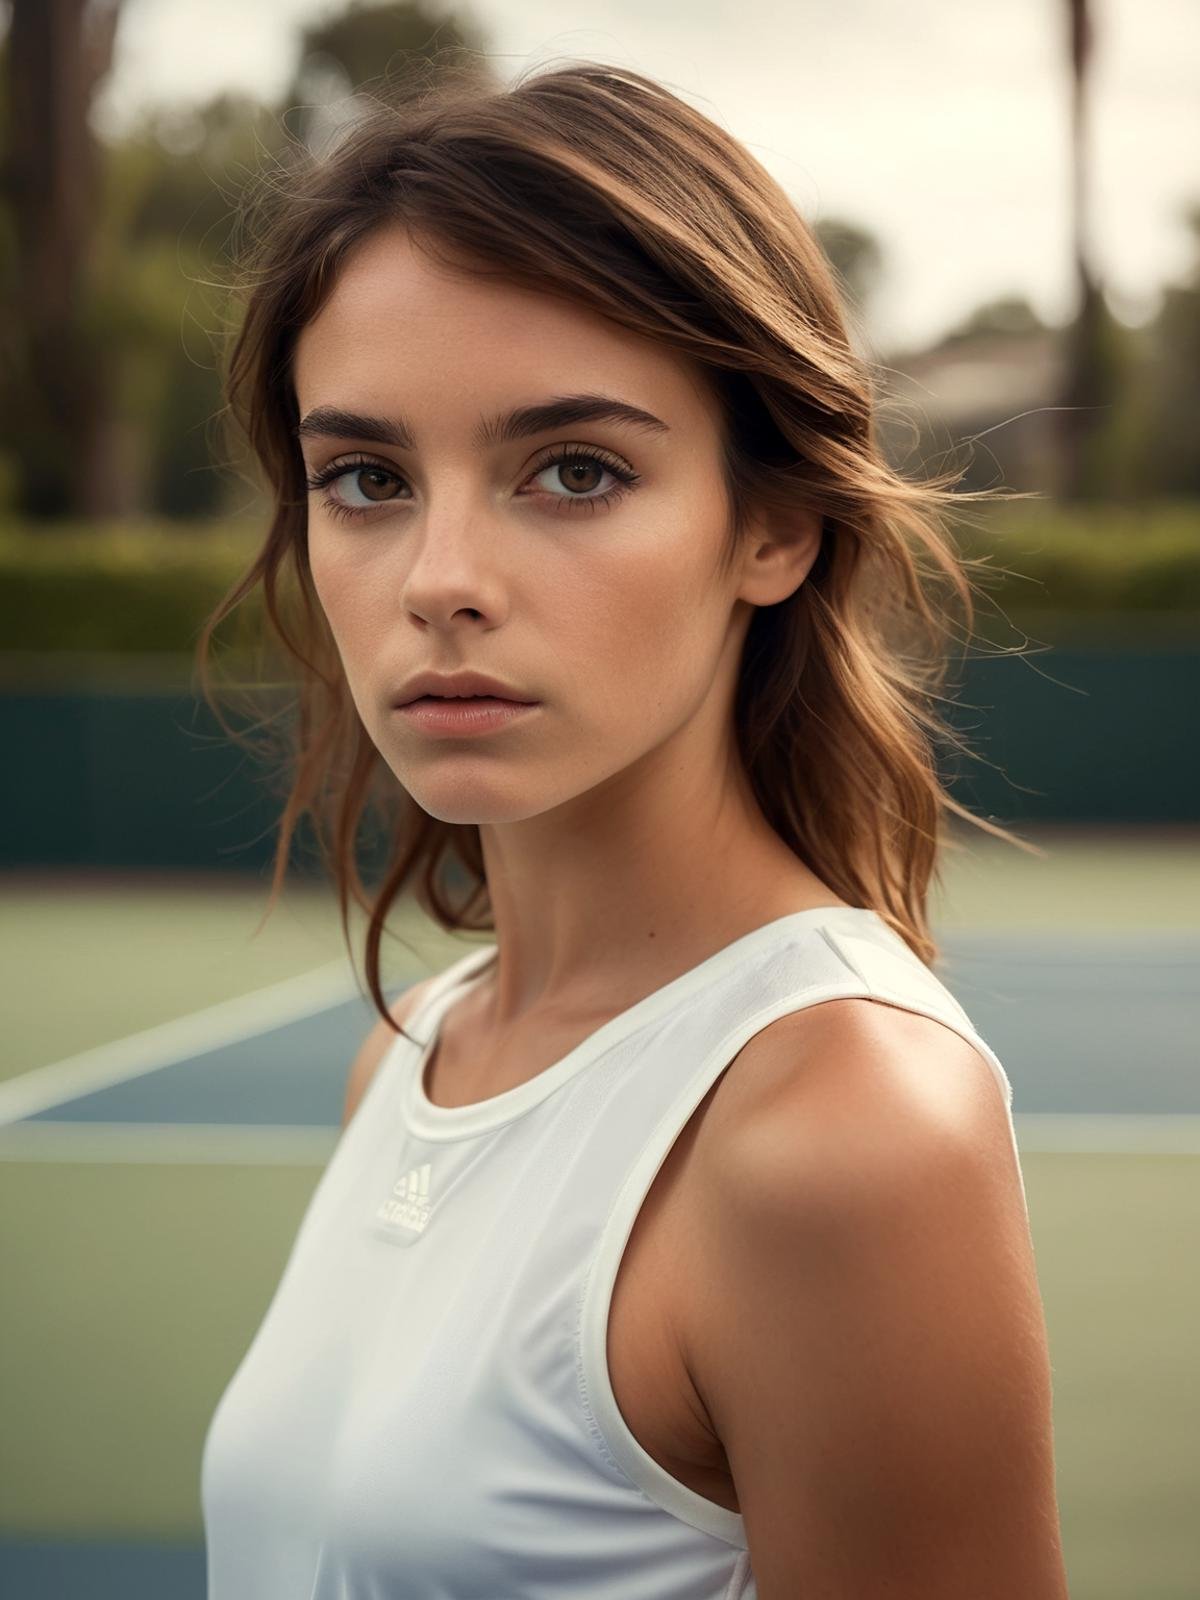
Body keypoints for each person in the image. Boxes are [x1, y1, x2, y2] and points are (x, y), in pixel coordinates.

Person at [198, 59, 1068, 1599]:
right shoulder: (411, 1058)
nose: (438, 577)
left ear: (772, 525)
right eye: (368, 477)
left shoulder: (847, 1134)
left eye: (575, 471)